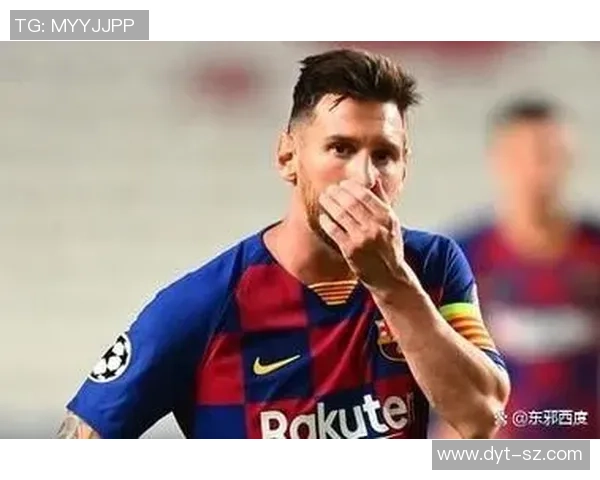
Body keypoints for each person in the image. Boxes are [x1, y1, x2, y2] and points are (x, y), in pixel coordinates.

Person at [58, 48, 510, 439]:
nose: (364, 177)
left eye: (384, 155)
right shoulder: (207, 304)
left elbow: (482, 416)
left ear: (404, 168)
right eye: (340, 148)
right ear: (287, 156)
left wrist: (392, 284)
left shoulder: (431, 267)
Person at [436, 98, 600, 439]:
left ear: (571, 158)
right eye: (522, 157)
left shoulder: (592, 251)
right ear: (497, 160)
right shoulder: (460, 258)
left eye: (549, 155)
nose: (537, 171)